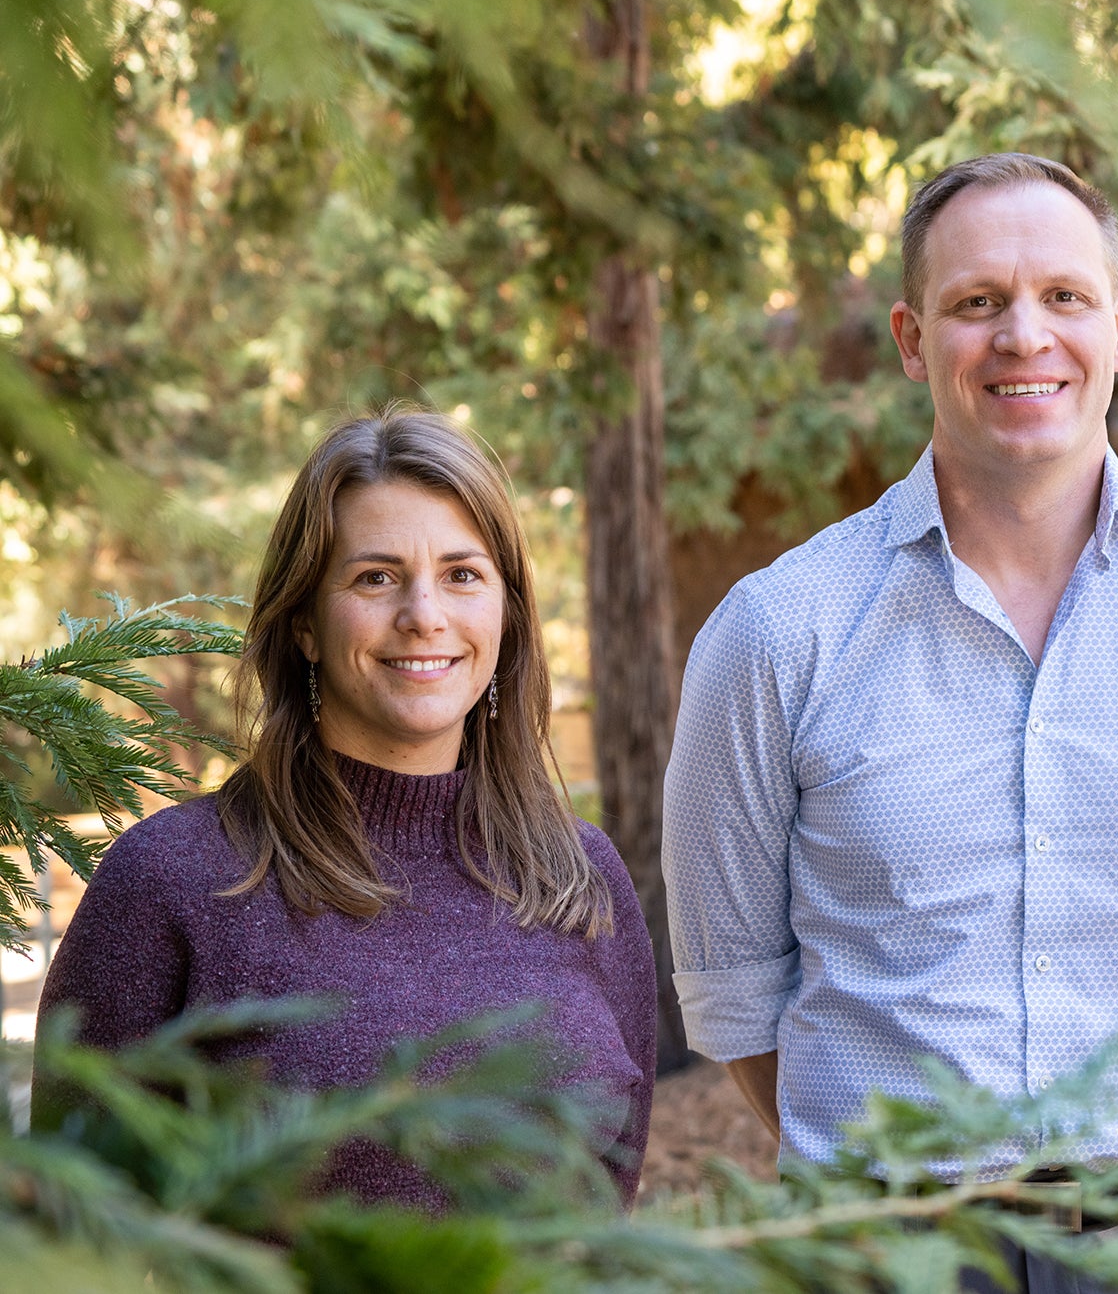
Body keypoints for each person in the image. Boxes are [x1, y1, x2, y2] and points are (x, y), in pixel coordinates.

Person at [662, 153, 1118, 1288]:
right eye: (976, 302)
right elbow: (735, 991)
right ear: (910, 338)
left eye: (1063, 297)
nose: (1023, 336)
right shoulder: (774, 632)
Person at [37, 410, 658, 1207]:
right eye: (376, 577)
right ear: (303, 622)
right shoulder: (171, 881)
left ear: (507, 614)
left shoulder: (581, 875)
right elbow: (69, 1228)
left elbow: (613, 1199)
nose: (424, 615)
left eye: (463, 574)